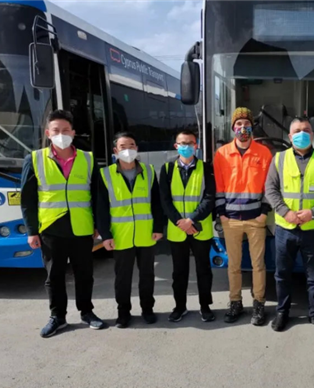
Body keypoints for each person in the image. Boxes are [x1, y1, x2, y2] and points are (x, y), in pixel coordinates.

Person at [20, 110, 106, 337]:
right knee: (54, 276)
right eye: (56, 130)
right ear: (48, 133)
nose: (61, 134)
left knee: (84, 274)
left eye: (66, 130)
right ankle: (57, 317)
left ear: (73, 132)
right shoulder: (35, 159)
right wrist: (32, 231)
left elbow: (97, 195)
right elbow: (27, 199)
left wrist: (98, 225)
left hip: (82, 227)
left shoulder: (88, 159)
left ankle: (87, 312)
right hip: (51, 228)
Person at [265, 117, 314, 333]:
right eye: (297, 131)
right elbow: (270, 189)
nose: (302, 134)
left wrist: (312, 213)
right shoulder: (279, 159)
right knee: (282, 274)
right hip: (284, 229)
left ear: (313, 134)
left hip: (312, 229)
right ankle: (282, 312)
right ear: (289, 136)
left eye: (306, 130)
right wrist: (285, 212)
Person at [97, 132, 163, 328]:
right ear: (115, 151)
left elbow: (157, 202)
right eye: (123, 146)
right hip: (120, 235)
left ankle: (147, 309)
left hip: (146, 233)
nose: (128, 150)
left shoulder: (149, 171)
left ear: (137, 148)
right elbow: (101, 208)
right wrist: (105, 235)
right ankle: (123, 313)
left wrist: (158, 227)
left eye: (132, 145)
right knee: (122, 278)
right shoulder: (105, 174)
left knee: (147, 276)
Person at [213, 107, 273, 325]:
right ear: (233, 127)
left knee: (258, 265)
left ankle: (259, 304)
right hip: (230, 220)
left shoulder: (264, 153)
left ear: (252, 126)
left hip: (255, 219)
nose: (243, 127)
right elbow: (219, 187)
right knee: (234, 266)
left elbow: (269, 186)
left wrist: (264, 213)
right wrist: (222, 214)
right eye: (239, 124)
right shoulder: (221, 154)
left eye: (247, 123)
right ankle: (235, 302)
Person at [160, 130, 216, 323]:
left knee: (204, 271)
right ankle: (180, 307)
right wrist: (181, 222)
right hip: (177, 230)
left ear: (196, 145)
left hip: (200, 228)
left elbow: (209, 198)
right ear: (176, 146)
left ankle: (205, 307)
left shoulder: (206, 168)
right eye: (182, 143)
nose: (186, 146)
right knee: (179, 272)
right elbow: (165, 200)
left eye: (190, 143)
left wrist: (190, 220)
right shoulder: (167, 169)